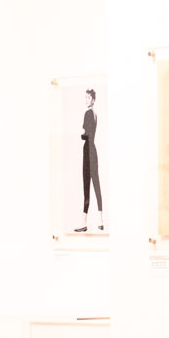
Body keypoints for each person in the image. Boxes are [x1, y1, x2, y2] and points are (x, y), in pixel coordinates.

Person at [79, 88, 104, 232]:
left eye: (89, 98)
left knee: (86, 186)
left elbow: (85, 135)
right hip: (93, 150)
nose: (87, 100)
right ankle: (101, 220)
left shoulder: (88, 113)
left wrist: (81, 135)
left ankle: (84, 222)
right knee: (96, 184)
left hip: (88, 150)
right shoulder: (95, 115)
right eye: (86, 97)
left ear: (93, 100)